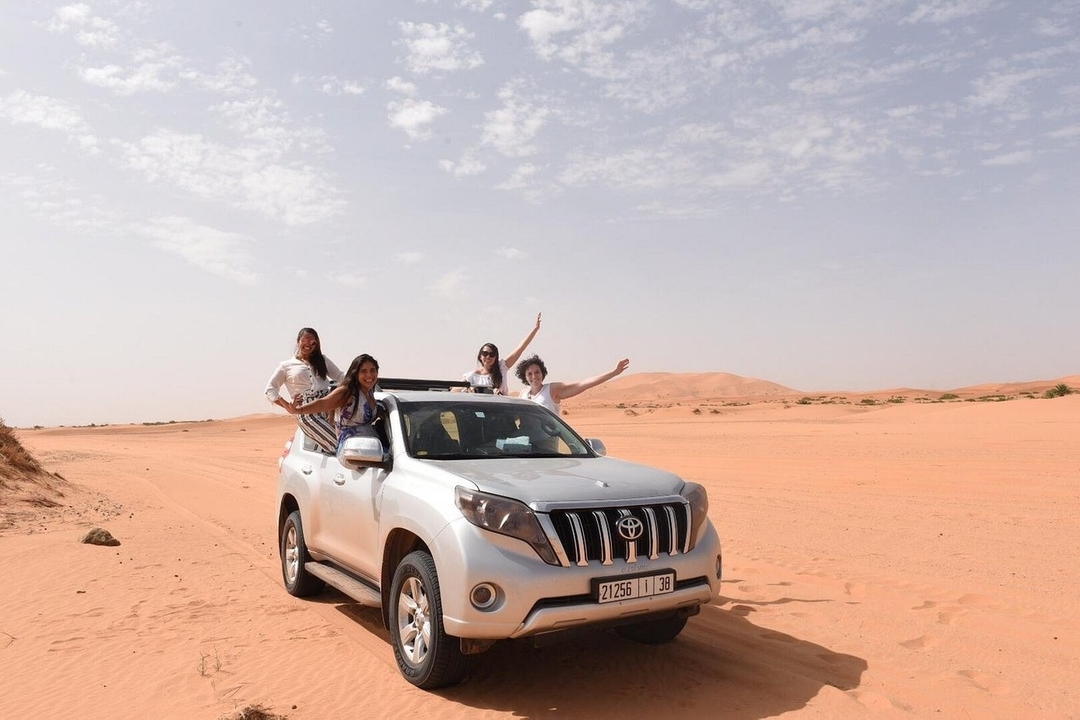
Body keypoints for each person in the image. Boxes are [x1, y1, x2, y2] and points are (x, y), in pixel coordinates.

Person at [265, 327, 344, 453]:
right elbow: (270, 390)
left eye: (312, 342)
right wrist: (287, 406)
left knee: (351, 442)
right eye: (305, 341)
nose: (308, 345)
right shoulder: (286, 366)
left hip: (329, 407)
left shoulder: (322, 360)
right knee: (340, 446)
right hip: (307, 412)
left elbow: (340, 377)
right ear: (298, 341)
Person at [294, 354, 382, 455]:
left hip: (369, 449)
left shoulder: (370, 393)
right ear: (355, 373)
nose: (369, 375)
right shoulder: (348, 392)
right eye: (363, 371)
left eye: (372, 370)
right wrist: (299, 410)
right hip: (352, 452)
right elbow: (324, 403)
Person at [515, 356, 630, 415]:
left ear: (542, 373)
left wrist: (614, 373)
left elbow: (583, 384)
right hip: (526, 442)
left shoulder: (552, 390)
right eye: (529, 374)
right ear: (524, 377)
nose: (534, 376)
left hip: (547, 443)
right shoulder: (523, 394)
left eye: (537, 372)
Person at [462, 313, 542, 395]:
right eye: (485, 353)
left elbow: (520, 348)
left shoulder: (501, 367)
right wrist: (468, 390)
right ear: (480, 356)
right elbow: (455, 390)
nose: (488, 357)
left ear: (496, 357)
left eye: (492, 354)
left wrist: (535, 329)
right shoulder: (471, 376)